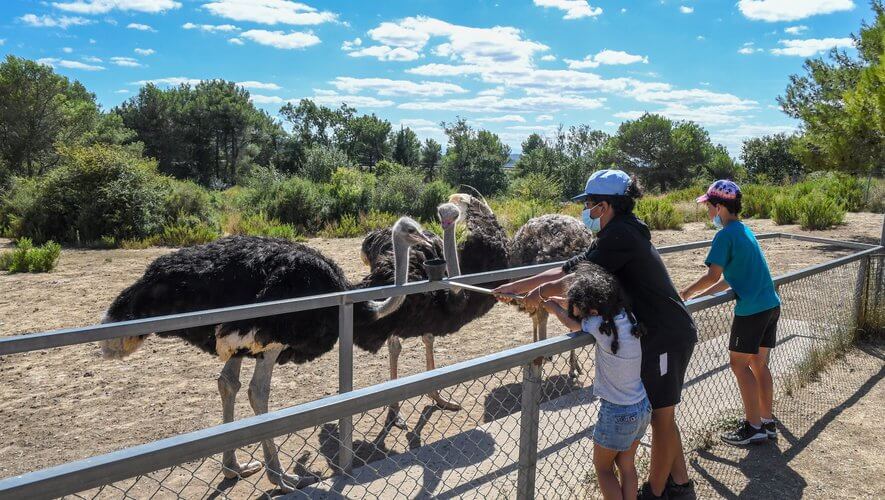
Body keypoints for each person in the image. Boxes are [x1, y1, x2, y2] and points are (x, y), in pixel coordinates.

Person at [495, 169, 698, 499]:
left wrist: (541, 292)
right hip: (657, 332)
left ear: (605, 206)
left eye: (589, 204)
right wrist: (517, 286)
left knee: (663, 417)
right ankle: (679, 482)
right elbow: (566, 269)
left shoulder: (620, 238)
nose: (586, 211)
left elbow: (571, 278)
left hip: (664, 334)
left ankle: (658, 491)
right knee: (663, 414)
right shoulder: (619, 233)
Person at [679, 180, 781, 446]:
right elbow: (732, 277)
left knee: (739, 365)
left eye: (710, 207)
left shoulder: (724, 235)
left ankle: (753, 426)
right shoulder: (744, 230)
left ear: (720, 207)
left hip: (752, 310)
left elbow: (712, 274)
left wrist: (684, 294)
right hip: (770, 304)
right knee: (759, 364)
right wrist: (700, 295)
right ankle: (767, 421)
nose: (708, 212)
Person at [542, 263, 650, 500]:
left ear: (590, 308)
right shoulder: (626, 317)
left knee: (603, 469)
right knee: (627, 466)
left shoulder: (596, 325)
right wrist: (564, 301)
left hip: (617, 412)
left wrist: (551, 307)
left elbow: (572, 323)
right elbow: (581, 314)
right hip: (642, 407)